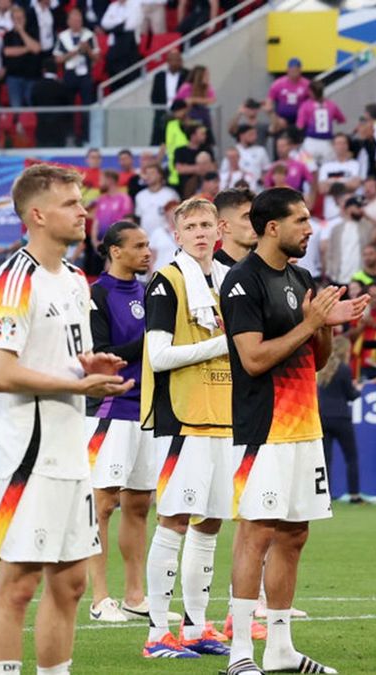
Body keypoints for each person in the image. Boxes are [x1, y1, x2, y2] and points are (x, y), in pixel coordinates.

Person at [0, 163, 131, 673]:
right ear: (38, 215)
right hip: (28, 455)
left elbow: (61, 358)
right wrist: (76, 383)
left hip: (71, 450)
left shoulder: (73, 279)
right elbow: (0, 373)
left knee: (71, 582)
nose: (83, 211)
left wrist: (89, 366)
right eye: (71, 203)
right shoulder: (14, 281)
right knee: (18, 583)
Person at [220, 187, 367, 675]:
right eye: (301, 220)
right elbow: (253, 358)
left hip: (305, 426)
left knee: (294, 534)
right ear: (271, 228)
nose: (309, 228)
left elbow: (317, 360)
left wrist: (325, 327)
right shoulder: (242, 282)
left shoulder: (301, 276)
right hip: (264, 428)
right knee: (255, 533)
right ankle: (241, 650)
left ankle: (281, 650)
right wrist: (309, 324)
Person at [138, 198, 233, 659]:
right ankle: (158, 635)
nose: (199, 233)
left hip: (223, 413)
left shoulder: (227, 281)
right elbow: (158, 356)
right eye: (190, 226)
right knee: (174, 520)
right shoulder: (167, 281)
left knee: (210, 523)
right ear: (176, 236)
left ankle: (196, 627)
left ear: (220, 230)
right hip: (181, 417)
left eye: (206, 225)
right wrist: (222, 345)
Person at [84, 221, 155, 624]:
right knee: (104, 503)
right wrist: (152, 339)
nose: (147, 252)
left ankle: (134, 594)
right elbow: (101, 351)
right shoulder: (98, 294)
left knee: (140, 504)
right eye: (139, 246)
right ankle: (99, 598)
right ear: (115, 251)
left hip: (147, 408)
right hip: (112, 408)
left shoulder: (147, 292)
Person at [317, 336, 363, 503]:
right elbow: (350, 395)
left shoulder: (321, 370)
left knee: (325, 459)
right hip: (341, 417)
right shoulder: (344, 369)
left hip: (323, 417)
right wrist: (359, 390)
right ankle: (354, 494)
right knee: (351, 457)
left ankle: (324, 495)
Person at [214, 187, 257, 268]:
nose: (256, 222)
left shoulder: (265, 267)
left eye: (256, 216)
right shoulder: (210, 270)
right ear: (225, 226)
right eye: (247, 217)